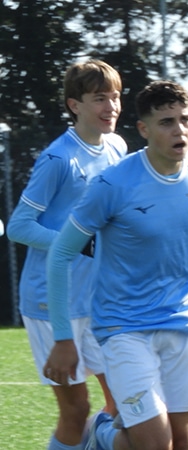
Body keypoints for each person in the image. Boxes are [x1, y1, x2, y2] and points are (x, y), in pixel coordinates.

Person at [42, 80, 188, 449]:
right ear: (144, 129)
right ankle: (104, 434)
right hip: (124, 327)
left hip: (185, 323)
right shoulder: (113, 183)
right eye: (167, 122)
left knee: (182, 441)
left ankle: (105, 436)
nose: (179, 130)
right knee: (155, 443)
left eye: (186, 120)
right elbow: (60, 254)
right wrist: (62, 338)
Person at [7, 59, 124, 450]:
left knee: (122, 402)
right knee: (76, 412)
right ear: (75, 105)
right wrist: (78, 242)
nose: (111, 106)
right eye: (100, 98)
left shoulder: (118, 147)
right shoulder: (58, 159)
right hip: (50, 301)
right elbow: (19, 226)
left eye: (115, 97)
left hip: (98, 297)